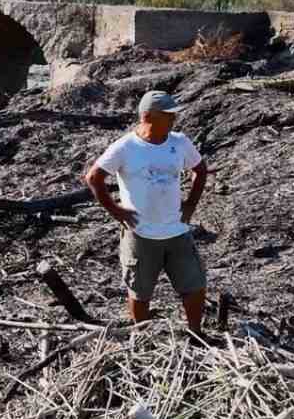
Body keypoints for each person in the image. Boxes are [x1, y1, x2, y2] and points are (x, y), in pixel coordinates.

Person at [85, 91, 209, 337]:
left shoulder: (179, 142)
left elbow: (200, 170)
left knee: (195, 285)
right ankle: (143, 337)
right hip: (140, 233)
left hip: (176, 231)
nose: (173, 119)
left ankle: (196, 334)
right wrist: (115, 210)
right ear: (147, 116)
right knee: (140, 292)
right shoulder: (125, 147)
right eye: (167, 115)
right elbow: (93, 177)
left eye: (173, 114)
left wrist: (191, 205)